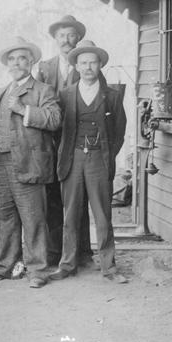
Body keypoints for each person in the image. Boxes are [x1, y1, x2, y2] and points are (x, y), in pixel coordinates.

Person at [0, 36, 61, 288]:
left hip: (28, 162)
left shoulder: (43, 90)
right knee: (4, 216)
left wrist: (21, 109)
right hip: (1, 161)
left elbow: (54, 119)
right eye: (12, 59)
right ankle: (6, 266)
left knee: (33, 217)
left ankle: (38, 270)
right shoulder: (0, 91)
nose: (16, 63)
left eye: (22, 58)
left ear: (31, 62)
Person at [51, 40, 128, 284]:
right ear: (76, 65)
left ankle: (109, 267)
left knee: (103, 215)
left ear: (100, 65)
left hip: (98, 158)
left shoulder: (112, 96)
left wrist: (105, 154)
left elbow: (119, 131)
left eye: (92, 62)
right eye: (83, 63)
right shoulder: (65, 95)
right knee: (70, 213)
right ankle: (67, 264)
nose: (87, 67)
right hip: (73, 158)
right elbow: (57, 130)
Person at [36, 14, 94, 268]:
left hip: (77, 141)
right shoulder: (44, 68)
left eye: (71, 35)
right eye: (61, 36)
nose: (66, 40)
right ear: (55, 39)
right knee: (52, 197)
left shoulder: (86, 66)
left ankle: (82, 252)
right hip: (50, 142)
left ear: (78, 38)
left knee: (78, 196)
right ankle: (53, 251)